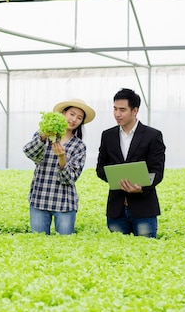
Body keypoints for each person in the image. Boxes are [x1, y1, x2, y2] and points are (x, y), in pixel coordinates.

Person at [96, 88, 166, 238]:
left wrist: (141, 188)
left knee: (145, 254)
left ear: (135, 111)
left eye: (122, 110)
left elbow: (157, 171)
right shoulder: (108, 136)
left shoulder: (152, 136)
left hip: (144, 209)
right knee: (118, 255)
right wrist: (116, 178)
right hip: (116, 210)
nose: (117, 114)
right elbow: (100, 168)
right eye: (115, 109)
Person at [23, 98, 96, 235]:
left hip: (64, 202)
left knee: (65, 246)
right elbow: (29, 153)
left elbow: (69, 179)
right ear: (63, 113)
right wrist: (43, 135)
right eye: (72, 114)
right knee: (39, 245)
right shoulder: (44, 135)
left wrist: (62, 158)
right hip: (39, 197)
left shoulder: (79, 146)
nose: (74, 120)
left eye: (79, 118)